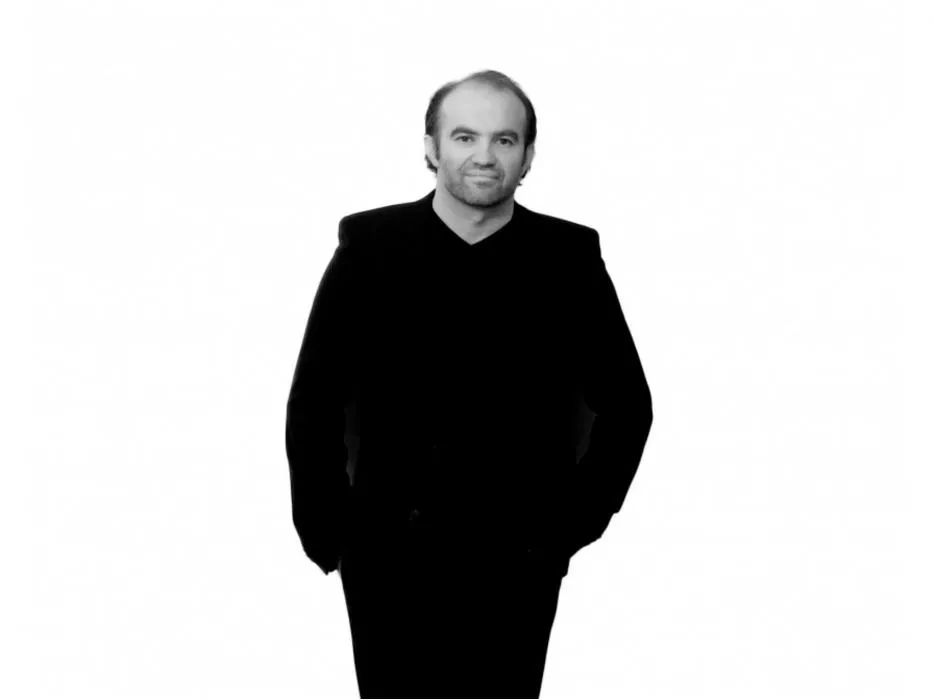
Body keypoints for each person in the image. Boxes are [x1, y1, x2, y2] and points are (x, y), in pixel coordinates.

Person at [285, 69, 653, 699]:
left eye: (504, 140)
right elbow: (314, 400)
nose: (484, 155)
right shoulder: (369, 246)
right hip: (388, 552)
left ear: (527, 156)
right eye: (465, 137)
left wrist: (570, 527)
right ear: (431, 148)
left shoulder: (567, 257)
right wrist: (333, 535)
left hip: (518, 558)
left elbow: (628, 406)